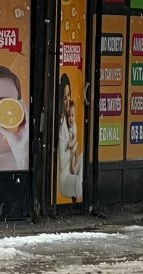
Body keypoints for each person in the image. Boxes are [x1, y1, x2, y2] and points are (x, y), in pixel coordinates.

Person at [56, 73, 83, 201]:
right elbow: (62, 161)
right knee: (77, 181)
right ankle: (77, 203)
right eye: (64, 97)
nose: (67, 102)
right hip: (64, 177)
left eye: (69, 96)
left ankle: (78, 198)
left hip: (70, 169)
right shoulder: (62, 123)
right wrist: (73, 150)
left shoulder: (69, 120)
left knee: (83, 158)